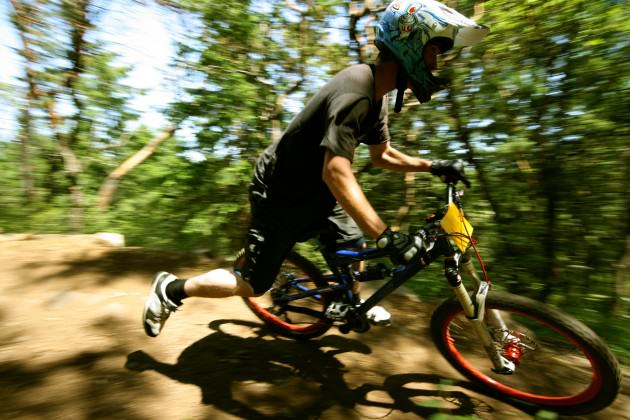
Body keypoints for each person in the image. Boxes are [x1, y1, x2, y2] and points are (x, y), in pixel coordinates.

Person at [142, 0, 489, 338]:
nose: (436, 63)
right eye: (434, 52)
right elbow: (336, 171)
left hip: (317, 191)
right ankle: (171, 290)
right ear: (410, 44)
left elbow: (382, 156)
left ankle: (350, 299)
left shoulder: (378, 97)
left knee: (351, 242)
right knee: (252, 284)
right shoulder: (358, 92)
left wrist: (434, 166)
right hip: (281, 193)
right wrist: (384, 234)